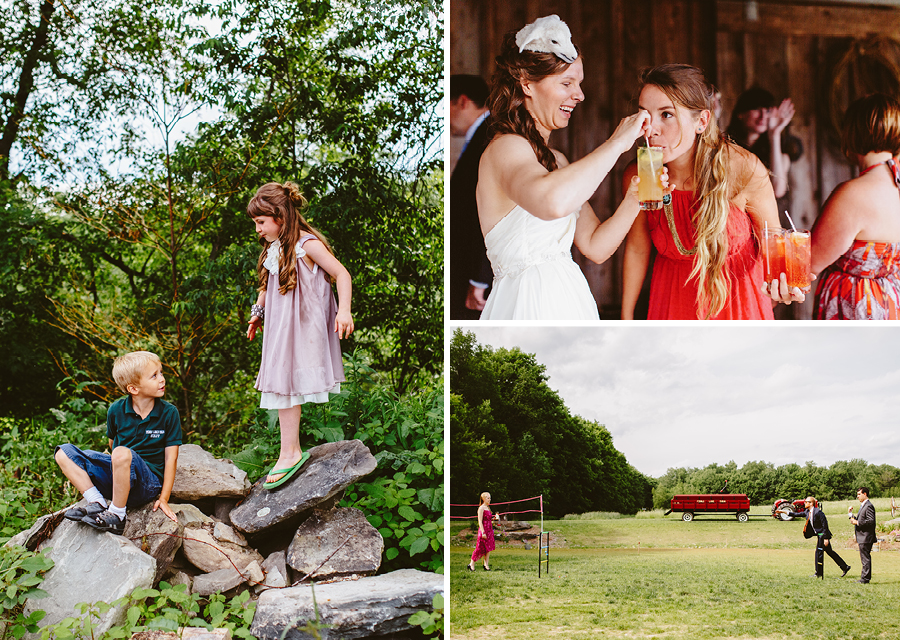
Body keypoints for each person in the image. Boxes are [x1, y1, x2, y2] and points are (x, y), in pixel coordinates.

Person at [476, 14, 659, 320]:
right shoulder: (505, 147)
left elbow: (595, 247)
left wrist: (634, 199)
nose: (580, 94)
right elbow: (552, 202)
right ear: (527, 84)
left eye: (579, 83)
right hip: (526, 306)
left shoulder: (556, 160)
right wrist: (616, 143)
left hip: (570, 301)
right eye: (566, 83)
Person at [621, 64, 804, 320]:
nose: (650, 129)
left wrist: (784, 285)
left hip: (737, 306)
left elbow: (772, 242)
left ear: (702, 121)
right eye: (644, 115)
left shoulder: (743, 167)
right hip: (671, 302)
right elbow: (638, 249)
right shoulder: (640, 174)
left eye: (666, 115)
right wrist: (626, 318)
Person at [246, 182, 353, 489]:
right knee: (281, 382)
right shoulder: (274, 248)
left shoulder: (308, 244)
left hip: (304, 325)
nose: (257, 229)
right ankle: (289, 451)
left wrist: (343, 310)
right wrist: (258, 312)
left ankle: (290, 452)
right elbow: (266, 285)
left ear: (279, 216)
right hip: (280, 325)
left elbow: (341, 274)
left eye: (261, 222)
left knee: (286, 381)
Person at [54, 351, 182, 535]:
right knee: (63, 452)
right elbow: (111, 444)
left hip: (148, 483)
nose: (162, 379)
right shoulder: (116, 410)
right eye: (154, 375)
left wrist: (164, 498)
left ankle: (117, 515)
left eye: (161, 373)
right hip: (119, 480)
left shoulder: (169, 413)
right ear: (134, 389)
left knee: (121, 452)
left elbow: (171, 458)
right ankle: (96, 502)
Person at [811, 93, 900, 319]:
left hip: (857, 308)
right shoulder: (894, 185)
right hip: (890, 305)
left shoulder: (853, 194)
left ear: (853, 133)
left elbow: (810, 262)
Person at [450, 74, 493, 319]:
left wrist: (479, 277)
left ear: (463, 101)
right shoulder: (480, 136)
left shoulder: (489, 138)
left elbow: (488, 210)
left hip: (477, 276)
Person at [726, 87, 803, 203]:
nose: (763, 116)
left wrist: (774, 134)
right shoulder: (726, 148)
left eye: (767, 111)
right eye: (756, 109)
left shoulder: (780, 156)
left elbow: (777, 190)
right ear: (741, 113)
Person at [802, 497, 851, 579]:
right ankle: (845, 567)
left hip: (823, 535)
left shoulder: (818, 512)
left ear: (811, 503)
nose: (804, 503)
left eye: (806, 502)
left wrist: (826, 538)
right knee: (829, 552)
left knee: (819, 553)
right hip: (819, 535)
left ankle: (819, 573)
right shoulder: (808, 512)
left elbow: (825, 525)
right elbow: (797, 514)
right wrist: (785, 512)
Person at [849, 486, 876, 583]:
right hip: (862, 536)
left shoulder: (868, 505)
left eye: (859, 494)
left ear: (865, 494)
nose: (857, 496)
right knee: (864, 558)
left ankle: (865, 579)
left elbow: (871, 521)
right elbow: (859, 520)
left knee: (865, 558)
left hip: (866, 537)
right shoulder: (864, 505)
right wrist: (850, 515)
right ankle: (864, 578)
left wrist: (858, 523)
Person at [468, 492, 498, 571]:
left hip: (489, 530)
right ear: (484, 499)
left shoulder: (488, 508)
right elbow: (480, 521)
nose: (490, 499)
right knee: (479, 548)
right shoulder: (481, 508)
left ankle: (486, 565)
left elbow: (488, 519)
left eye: (490, 498)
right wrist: (483, 532)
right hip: (483, 530)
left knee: (488, 548)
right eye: (488, 498)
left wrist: (493, 519)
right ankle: (471, 564)